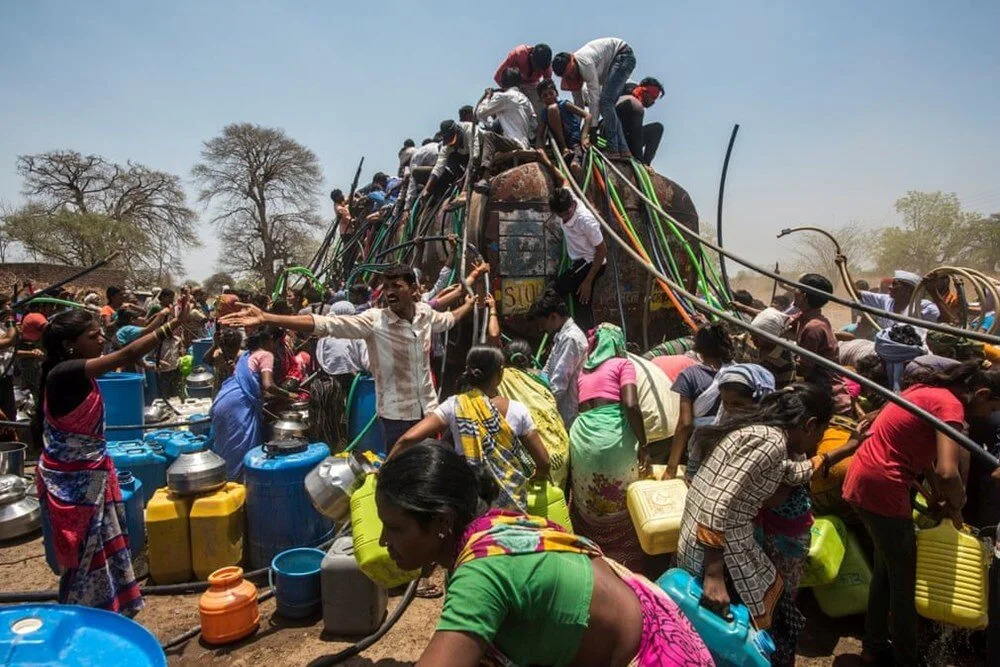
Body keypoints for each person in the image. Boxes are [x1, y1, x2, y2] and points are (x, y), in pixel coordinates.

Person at [375, 442, 713, 666]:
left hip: (650, 657)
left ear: (442, 522)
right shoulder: (495, 529)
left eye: (394, 528)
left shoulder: (483, 572)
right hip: (653, 629)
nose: (382, 541)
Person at [35, 300, 190, 614]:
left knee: (100, 540)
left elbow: (126, 351)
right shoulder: (63, 373)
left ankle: (111, 606)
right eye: (93, 336)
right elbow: (127, 354)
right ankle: (84, 612)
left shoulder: (77, 372)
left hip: (91, 473)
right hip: (75, 482)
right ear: (69, 345)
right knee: (84, 548)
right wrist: (171, 325)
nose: (101, 339)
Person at [842, 361, 1000, 666]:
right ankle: (906, 658)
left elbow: (916, 448)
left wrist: (936, 494)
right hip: (883, 487)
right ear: (981, 394)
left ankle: (874, 645)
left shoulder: (926, 390)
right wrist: (957, 505)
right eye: (992, 407)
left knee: (886, 568)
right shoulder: (951, 406)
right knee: (905, 578)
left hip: (864, 477)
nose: (989, 414)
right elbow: (947, 471)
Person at [220, 264, 477, 449]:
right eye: (386, 286)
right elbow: (325, 324)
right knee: (403, 475)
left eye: (397, 286)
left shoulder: (424, 314)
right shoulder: (374, 321)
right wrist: (267, 317)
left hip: (428, 410)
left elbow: (449, 319)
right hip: (396, 417)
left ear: (413, 289)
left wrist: (469, 303)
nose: (389, 291)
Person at [678, 384, 833, 656]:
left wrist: (834, 455)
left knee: (766, 611)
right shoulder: (771, 442)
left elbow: (790, 472)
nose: (818, 440)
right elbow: (718, 502)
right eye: (821, 432)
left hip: (704, 541)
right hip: (718, 553)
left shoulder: (762, 433)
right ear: (810, 425)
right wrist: (714, 577)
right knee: (762, 627)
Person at [392, 346, 550, 512]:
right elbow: (544, 461)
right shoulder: (518, 410)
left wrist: (385, 468)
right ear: (500, 373)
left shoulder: (455, 405)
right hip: (512, 506)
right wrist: (536, 477)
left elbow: (408, 439)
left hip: (471, 503)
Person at [568, 323, 648, 569]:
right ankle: (625, 559)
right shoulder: (623, 364)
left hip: (582, 436)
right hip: (611, 436)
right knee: (620, 495)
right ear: (617, 343)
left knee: (588, 495)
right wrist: (644, 443)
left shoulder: (584, 370)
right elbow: (631, 404)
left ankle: (593, 555)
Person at [210, 325, 298, 479]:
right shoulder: (266, 355)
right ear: (269, 340)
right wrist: (289, 395)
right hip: (239, 404)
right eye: (276, 343)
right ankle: (242, 485)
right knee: (243, 448)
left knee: (227, 447)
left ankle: (227, 484)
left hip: (223, 398)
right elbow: (268, 385)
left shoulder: (246, 355)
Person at [536, 150, 607, 329]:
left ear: (571, 205)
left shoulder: (586, 220)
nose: (566, 217)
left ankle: (561, 326)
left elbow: (601, 250)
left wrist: (588, 281)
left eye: (568, 213)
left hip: (590, 262)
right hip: (581, 262)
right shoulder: (567, 195)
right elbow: (564, 179)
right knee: (581, 303)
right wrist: (546, 160)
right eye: (562, 215)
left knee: (552, 292)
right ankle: (585, 333)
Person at [495, 337, 570, 488]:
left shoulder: (501, 378)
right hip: (561, 449)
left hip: (536, 458)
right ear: (530, 358)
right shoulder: (541, 377)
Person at [665, 321, 735, 479]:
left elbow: (685, 423)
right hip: (730, 445)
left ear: (698, 348)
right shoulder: (737, 373)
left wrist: (671, 468)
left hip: (702, 447)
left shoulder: (690, 375)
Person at [552, 38, 636, 158]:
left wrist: (592, 128)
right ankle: (624, 149)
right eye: (568, 76)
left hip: (622, 56)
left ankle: (613, 148)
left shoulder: (585, 63)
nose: (572, 76)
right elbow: (579, 105)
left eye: (572, 71)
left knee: (605, 103)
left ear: (573, 60)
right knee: (607, 105)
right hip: (613, 64)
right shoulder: (571, 77)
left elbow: (594, 99)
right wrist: (574, 133)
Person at [789, 273, 853, 415]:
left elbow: (804, 369)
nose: (794, 291)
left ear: (804, 296)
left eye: (797, 288)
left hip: (830, 401)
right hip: (824, 394)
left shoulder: (813, 327)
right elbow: (779, 320)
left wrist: (782, 357)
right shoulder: (807, 318)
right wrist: (745, 308)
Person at [530, 289, 588, 426]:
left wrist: (541, 409)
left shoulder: (570, 338)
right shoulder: (560, 336)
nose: (541, 329)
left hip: (569, 413)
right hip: (559, 410)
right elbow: (547, 370)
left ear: (553, 317)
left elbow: (558, 383)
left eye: (542, 324)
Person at [474, 67, 535, 185]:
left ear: (502, 83)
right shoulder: (526, 100)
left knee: (489, 136)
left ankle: (484, 178)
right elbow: (534, 124)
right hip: (526, 144)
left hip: (514, 143)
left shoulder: (504, 97)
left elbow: (480, 113)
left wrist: (487, 97)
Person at [854, 269, 941, 330]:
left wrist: (933, 292)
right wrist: (845, 270)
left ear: (907, 289)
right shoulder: (886, 300)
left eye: (895, 284)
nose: (890, 287)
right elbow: (857, 294)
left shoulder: (923, 306)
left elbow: (944, 322)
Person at [536, 78, 592, 158]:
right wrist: (540, 149)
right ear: (541, 100)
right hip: (558, 145)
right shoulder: (544, 113)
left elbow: (588, 116)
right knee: (552, 109)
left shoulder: (564, 104)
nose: (549, 97)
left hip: (574, 141)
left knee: (575, 162)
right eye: (545, 96)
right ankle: (563, 148)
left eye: (551, 93)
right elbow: (539, 135)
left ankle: (566, 150)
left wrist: (584, 137)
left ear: (557, 93)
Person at [615, 77, 665, 165]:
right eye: (653, 97)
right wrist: (639, 160)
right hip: (616, 138)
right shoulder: (632, 102)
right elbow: (636, 134)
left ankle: (646, 163)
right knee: (637, 108)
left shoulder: (635, 97)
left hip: (628, 138)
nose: (653, 102)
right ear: (645, 92)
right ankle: (643, 163)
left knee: (657, 128)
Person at [492, 42, 553, 115]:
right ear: (531, 56)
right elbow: (498, 77)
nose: (538, 70)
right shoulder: (517, 55)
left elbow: (547, 85)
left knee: (541, 108)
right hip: (515, 86)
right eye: (537, 66)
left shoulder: (546, 65)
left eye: (541, 68)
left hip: (534, 86)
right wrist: (510, 93)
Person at [423, 120, 474, 200]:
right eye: (449, 142)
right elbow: (438, 168)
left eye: (452, 140)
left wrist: (465, 179)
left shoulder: (470, 130)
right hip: (464, 162)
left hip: (479, 155)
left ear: (458, 132)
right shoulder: (447, 146)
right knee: (449, 158)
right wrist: (426, 188)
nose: (452, 144)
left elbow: (474, 158)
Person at [750, 307, 796, 387]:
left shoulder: (786, 363)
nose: (752, 338)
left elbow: (784, 390)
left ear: (772, 338)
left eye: (757, 336)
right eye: (751, 334)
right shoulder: (747, 342)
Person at [403, 139, 440, 212]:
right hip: (447, 167)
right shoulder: (437, 145)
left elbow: (412, 183)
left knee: (415, 173)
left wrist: (407, 208)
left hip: (437, 171)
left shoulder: (416, 156)